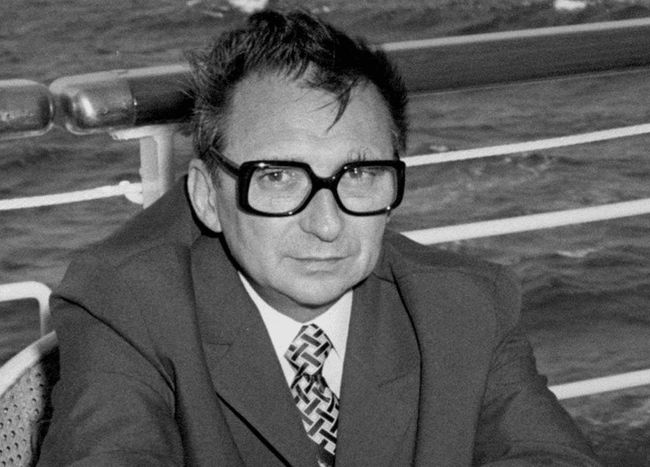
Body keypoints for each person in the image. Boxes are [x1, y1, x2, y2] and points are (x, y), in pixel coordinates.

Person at [37, 8, 603, 467]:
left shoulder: (466, 305)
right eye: (278, 177)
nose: (327, 225)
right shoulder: (127, 303)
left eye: (359, 175)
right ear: (208, 197)